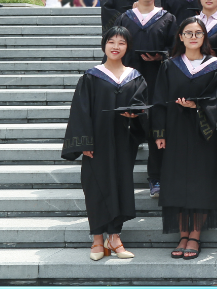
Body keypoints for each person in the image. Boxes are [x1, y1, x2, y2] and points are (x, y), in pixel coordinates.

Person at [62, 25, 147, 261]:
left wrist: (136, 115)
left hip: (123, 141)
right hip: (97, 143)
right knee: (96, 187)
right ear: (104, 45)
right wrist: (84, 143)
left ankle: (115, 237)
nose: (116, 46)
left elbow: (143, 107)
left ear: (128, 47)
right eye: (111, 41)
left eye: (121, 42)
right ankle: (98, 239)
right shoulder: (91, 77)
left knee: (120, 185)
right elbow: (80, 112)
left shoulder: (135, 77)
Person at [151, 17, 217, 260]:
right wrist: (159, 133)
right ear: (180, 37)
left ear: (204, 37)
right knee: (177, 182)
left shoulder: (216, 66)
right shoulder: (169, 65)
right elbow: (159, 100)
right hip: (175, 130)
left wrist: (197, 105)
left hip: (204, 133)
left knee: (201, 182)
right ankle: (183, 234)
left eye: (198, 33)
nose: (193, 37)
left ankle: (195, 235)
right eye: (188, 33)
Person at [113, 0, 176, 199]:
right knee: (125, 130)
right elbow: (114, 47)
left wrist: (162, 56)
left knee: (156, 130)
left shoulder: (168, 18)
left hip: (157, 82)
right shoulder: (124, 18)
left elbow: (176, 48)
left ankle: (156, 177)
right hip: (128, 82)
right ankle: (119, 178)